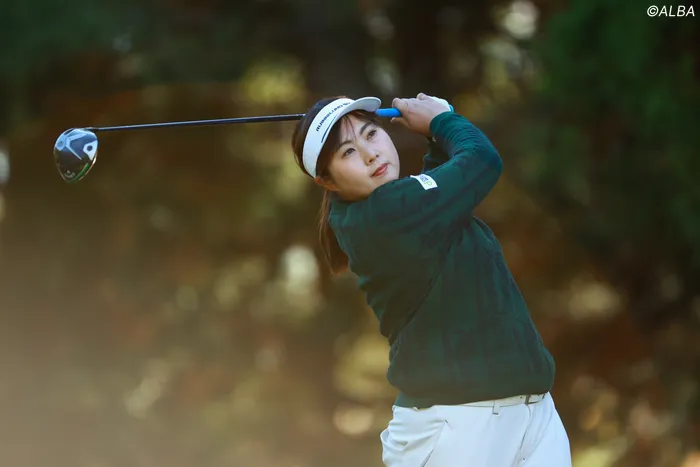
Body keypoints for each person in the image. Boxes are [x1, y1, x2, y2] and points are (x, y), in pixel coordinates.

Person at [290, 93, 572, 467]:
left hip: (534, 415)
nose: (371, 154)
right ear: (327, 181)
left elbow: (437, 191)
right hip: (457, 430)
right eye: (348, 152)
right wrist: (441, 121)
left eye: (371, 134)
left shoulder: (403, 207)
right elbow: (482, 161)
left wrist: (436, 136)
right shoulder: (384, 214)